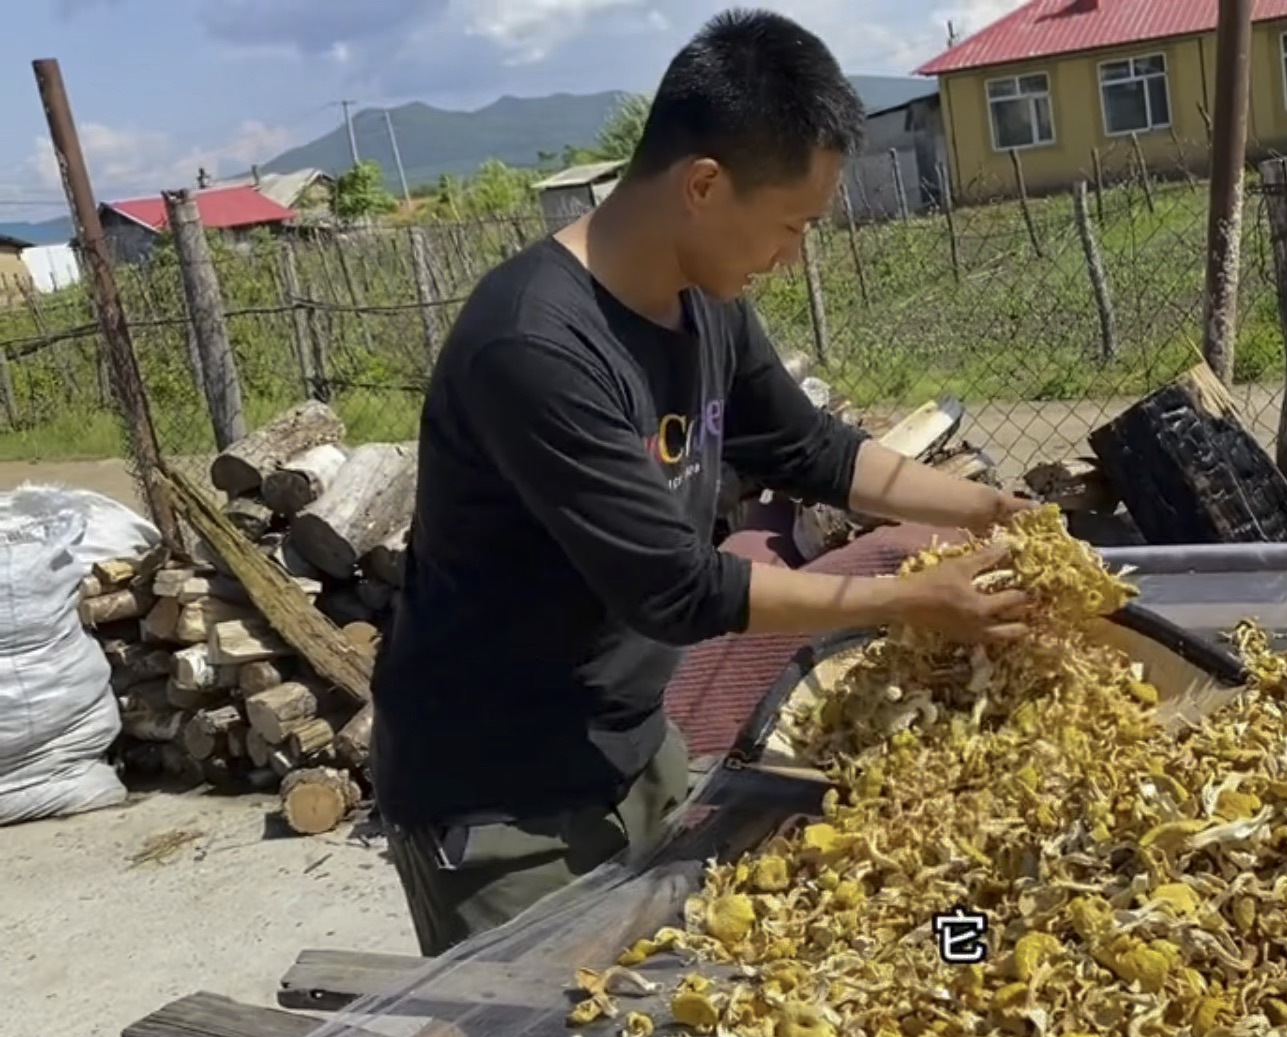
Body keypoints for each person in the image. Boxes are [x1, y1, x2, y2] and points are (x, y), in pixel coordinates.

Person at [371, 7, 1038, 958]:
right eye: (790, 225)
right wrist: (908, 600)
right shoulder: (535, 345)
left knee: (697, 988)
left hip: (638, 744)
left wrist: (990, 508)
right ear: (703, 185)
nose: (790, 255)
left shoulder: (702, 307)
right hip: (503, 795)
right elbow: (677, 587)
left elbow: (817, 451)